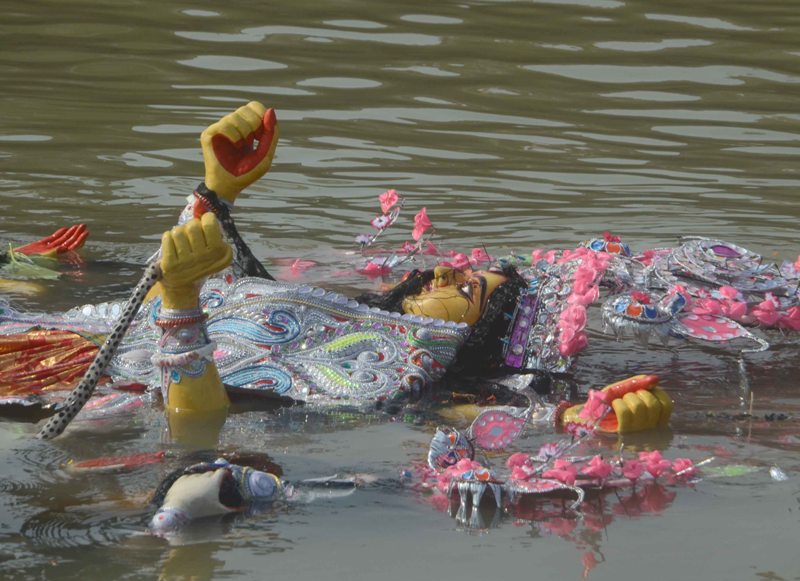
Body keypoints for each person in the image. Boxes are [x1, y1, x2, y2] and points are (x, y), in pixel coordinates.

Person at [2, 102, 797, 436]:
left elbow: (199, 420)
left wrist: (579, 422)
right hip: (43, 340)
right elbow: (216, 283)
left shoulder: (423, 375)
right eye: (454, 273)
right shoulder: (330, 304)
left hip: (80, 402)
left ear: (483, 334)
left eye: (473, 292)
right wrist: (216, 190)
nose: (449, 276)